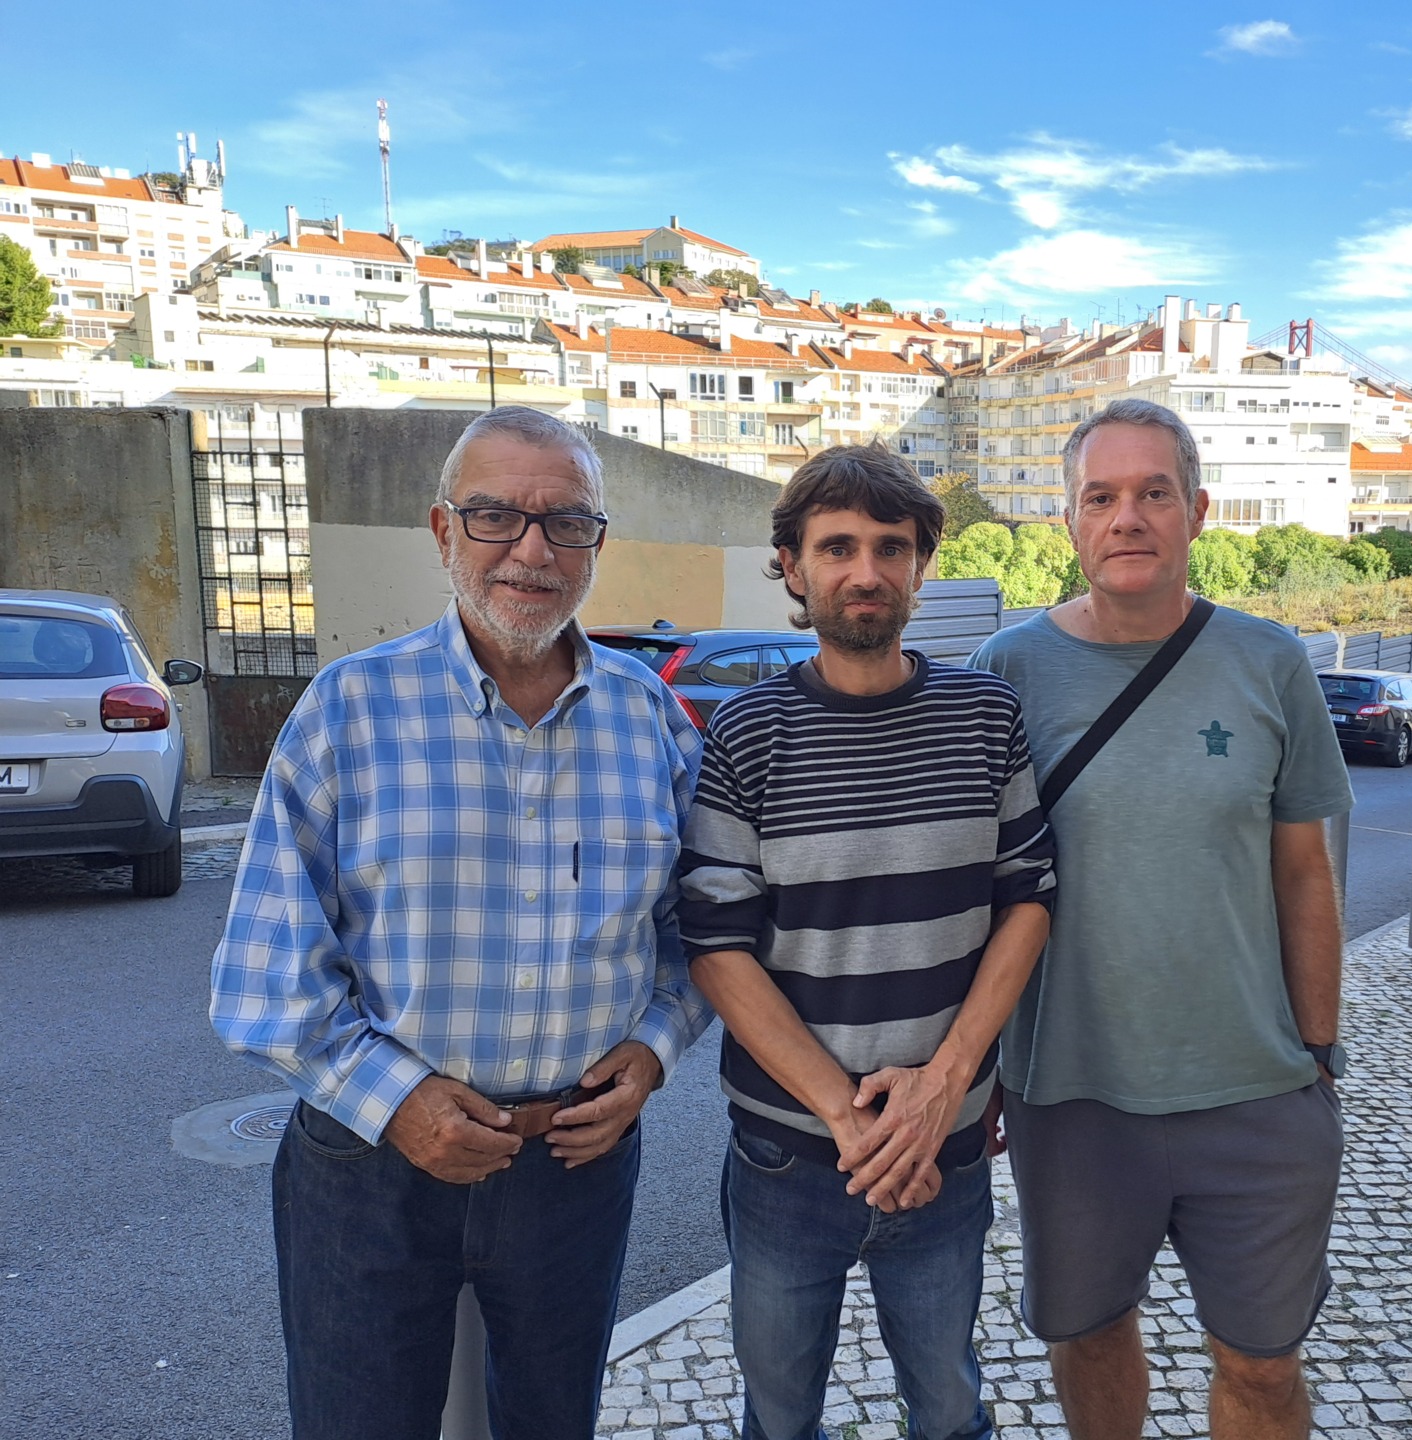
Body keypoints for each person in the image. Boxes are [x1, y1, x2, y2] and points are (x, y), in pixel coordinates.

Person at [210, 405, 709, 1440]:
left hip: (574, 1163)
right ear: (444, 534)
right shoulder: (348, 709)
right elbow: (263, 977)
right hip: (370, 1166)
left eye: (565, 522)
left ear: (596, 547)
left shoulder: (650, 721)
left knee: (552, 1424)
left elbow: (698, 932)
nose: (531, 549)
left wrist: (657, 1047)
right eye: (496, 517)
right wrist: (398, 1102)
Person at [971, 398, 1352, 1440]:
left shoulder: (1270, 663)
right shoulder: (1008, 671)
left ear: (1198, 512)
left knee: (1262, 1366)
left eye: (1153, 493)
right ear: (1069, 523)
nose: (1127, 517)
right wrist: (982, 1065)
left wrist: (1319, 1054)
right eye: (1102, 497)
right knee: (1089, 1340)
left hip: (1256, 1092)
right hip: (1074, 1094)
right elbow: (979, 887)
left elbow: (1304, 875)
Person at [677, 443, 1056, 1440]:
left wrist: (942, 1089)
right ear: (793, 568)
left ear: (922, 566)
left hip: (951, 1149)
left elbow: (1027, 901)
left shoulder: (987, 716)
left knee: (946, 1408)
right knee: (779, 1414)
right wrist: (853, 1122)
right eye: (836, 547)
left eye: (892, 547)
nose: (866, 572)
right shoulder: (747, 736)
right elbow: (717, 946)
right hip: (787, 1159)